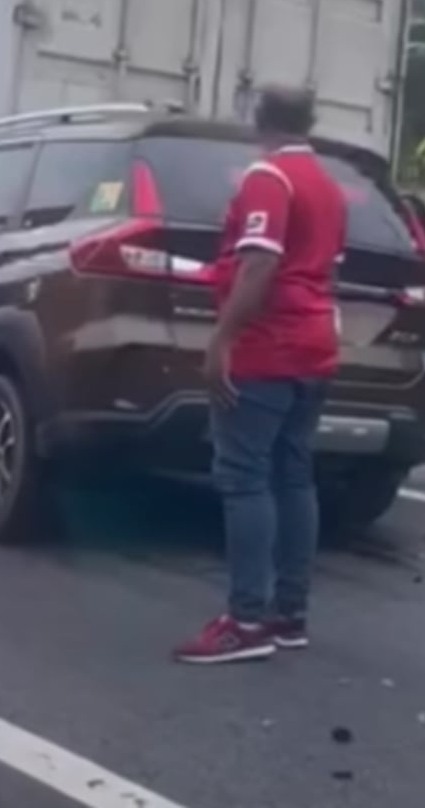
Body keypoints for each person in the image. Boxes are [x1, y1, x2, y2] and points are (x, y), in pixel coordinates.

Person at [176, 85, 345, 665]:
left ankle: (246, 621)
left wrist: (222, 338)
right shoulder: (330, 185)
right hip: (315, 344)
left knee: (244, 477)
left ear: (259, 119)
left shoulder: (268, 177)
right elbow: (324, 269)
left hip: (267, 347)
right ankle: (288, 614)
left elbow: (260, 262)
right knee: (294, 476)